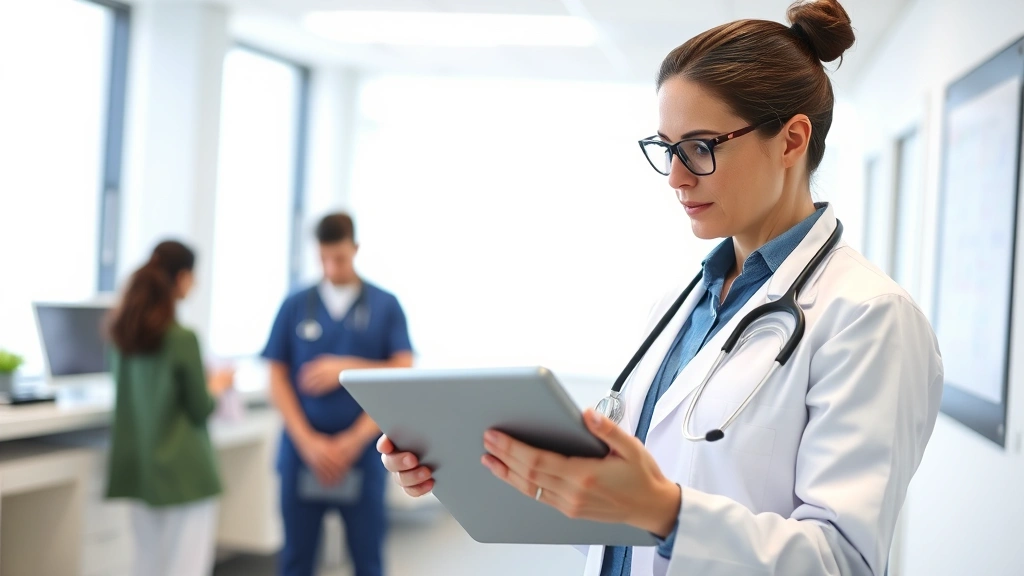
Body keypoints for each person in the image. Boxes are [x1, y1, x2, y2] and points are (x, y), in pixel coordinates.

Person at [378, 1, 944, 575]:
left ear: (792, 140)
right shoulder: (679, 306)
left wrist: (665, 511)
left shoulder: (869, 318)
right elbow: (619, 522)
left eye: (700, 147)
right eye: (668, 149)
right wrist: (473, 467)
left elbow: (843, 560)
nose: (675, 177)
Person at [263, 212, 414, 576]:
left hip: (364, 452)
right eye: (324, 258)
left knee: (368, 559)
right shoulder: (296, 304)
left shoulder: (385, 305)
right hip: (303, 453)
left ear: (356, 249)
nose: (331, 267)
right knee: (296, 560)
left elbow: (403, 370)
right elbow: (276, 376)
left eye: (340, 258)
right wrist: (308, 442)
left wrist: (345, 370)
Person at [105, 240, 234, 576]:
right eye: (194, 276)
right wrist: (217, 386)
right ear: (181, 278)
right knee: (186, 567)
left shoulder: (121, 335)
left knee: (146, 564)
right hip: (185, 473)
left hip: (141, 469)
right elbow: (200, 407)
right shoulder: (182, 338)